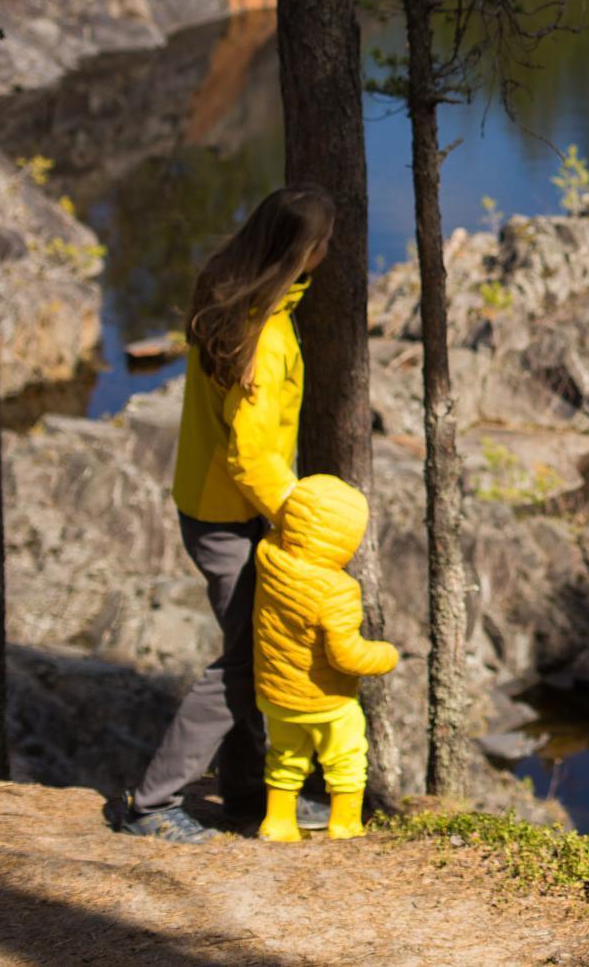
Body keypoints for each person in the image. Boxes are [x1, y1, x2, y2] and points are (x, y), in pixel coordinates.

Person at [123, 186, 336, 844]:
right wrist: (297, 516)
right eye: (323, 242)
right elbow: (249, 453)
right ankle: (150, 803)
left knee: (251, 653)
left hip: (209, 506)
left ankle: (248, 792)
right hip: (232, 519)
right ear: (305, 251)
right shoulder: (264, 333)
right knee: (244, 662)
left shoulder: (228, 294)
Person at [252, 474, 400, 841]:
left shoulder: (269, 557)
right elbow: (345, 656)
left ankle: (278, 821)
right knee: (346, 758)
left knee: (285, 756)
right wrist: (385, 656)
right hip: (326, 701)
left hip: (275, 695)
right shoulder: (337, 591)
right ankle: (345, 823)